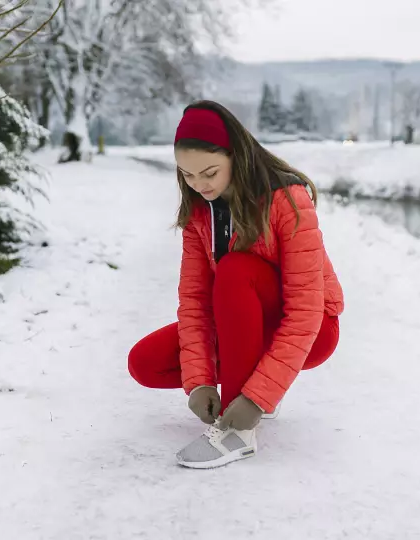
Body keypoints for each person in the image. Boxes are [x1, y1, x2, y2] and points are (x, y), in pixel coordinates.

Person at [127, 100, 345, 469]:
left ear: (235, 156)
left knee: (235, 269)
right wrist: (199, 382)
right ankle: (243, 388)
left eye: (209, 172)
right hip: (242, 321)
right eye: (188, 175)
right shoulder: (198, 212)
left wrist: (255, 400)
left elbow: (306, 310)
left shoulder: (287, 200)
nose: (199, 185)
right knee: (145, 363)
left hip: (314, 329)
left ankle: (237, 432)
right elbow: (195, 301)